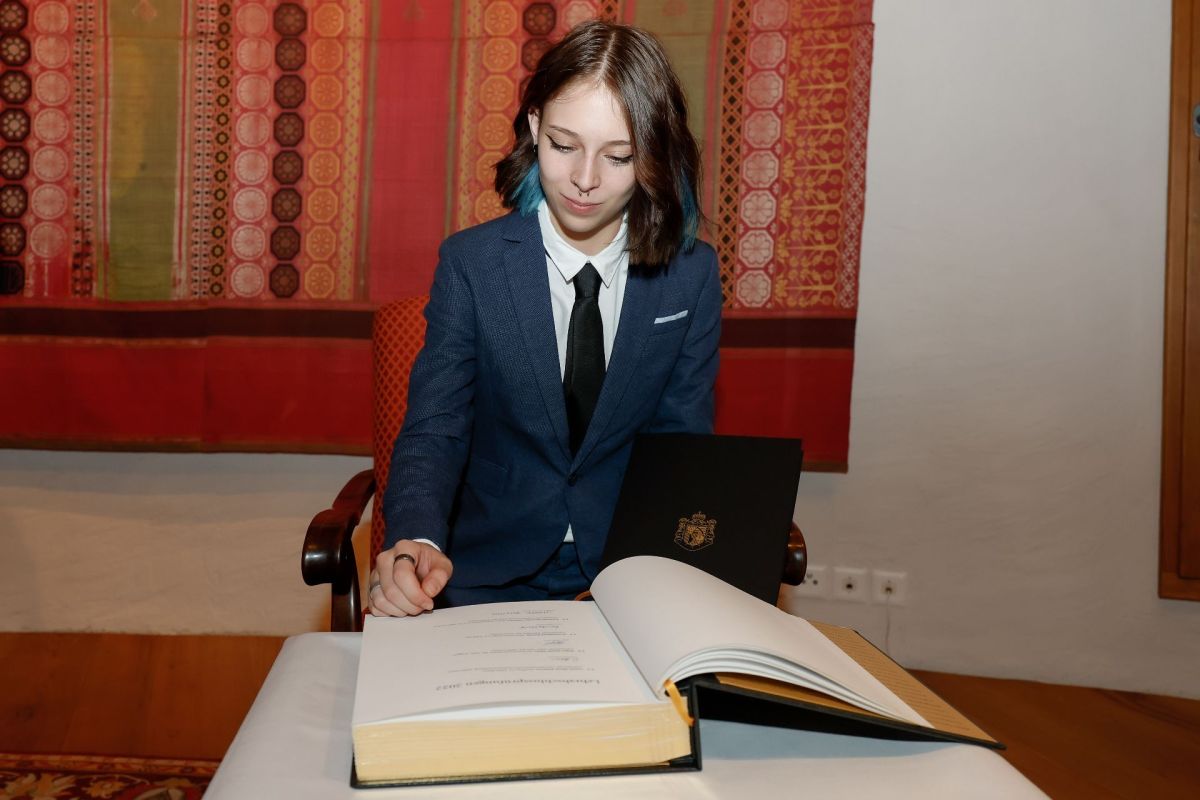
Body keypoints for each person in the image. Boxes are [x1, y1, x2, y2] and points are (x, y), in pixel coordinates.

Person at [369, 19, 721, 616]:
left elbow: (680, 443)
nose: (585, 180)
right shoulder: (472, 264)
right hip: (483, 570)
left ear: (653, 156)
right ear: (534, 127)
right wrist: (418, 541)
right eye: (563, 146)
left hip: (628, 571)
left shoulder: (691, 276)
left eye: (619, 156)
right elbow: (437, 426)